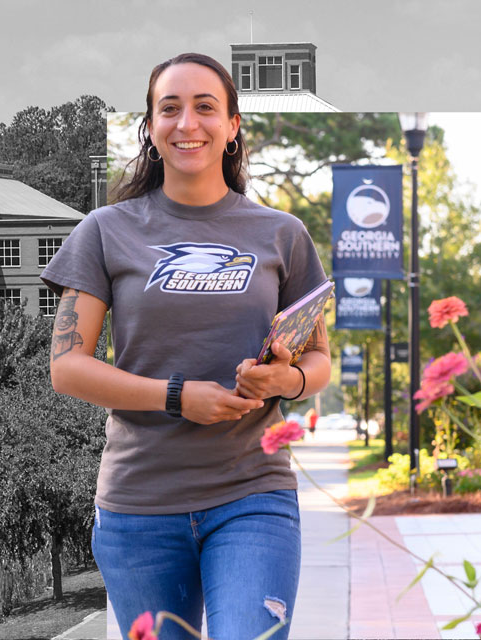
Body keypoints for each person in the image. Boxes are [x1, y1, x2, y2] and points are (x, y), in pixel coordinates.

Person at [41, 53, 331, 640]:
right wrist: (176, 396)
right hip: (138, 507)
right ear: (150, 127)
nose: (187, 123)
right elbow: (67, 368)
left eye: (205, 107)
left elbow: (318, 361)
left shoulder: (282, 234)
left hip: (253, 494)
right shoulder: (104, 230)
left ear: (233, 125)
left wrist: (286, 381)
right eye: (169, 108)